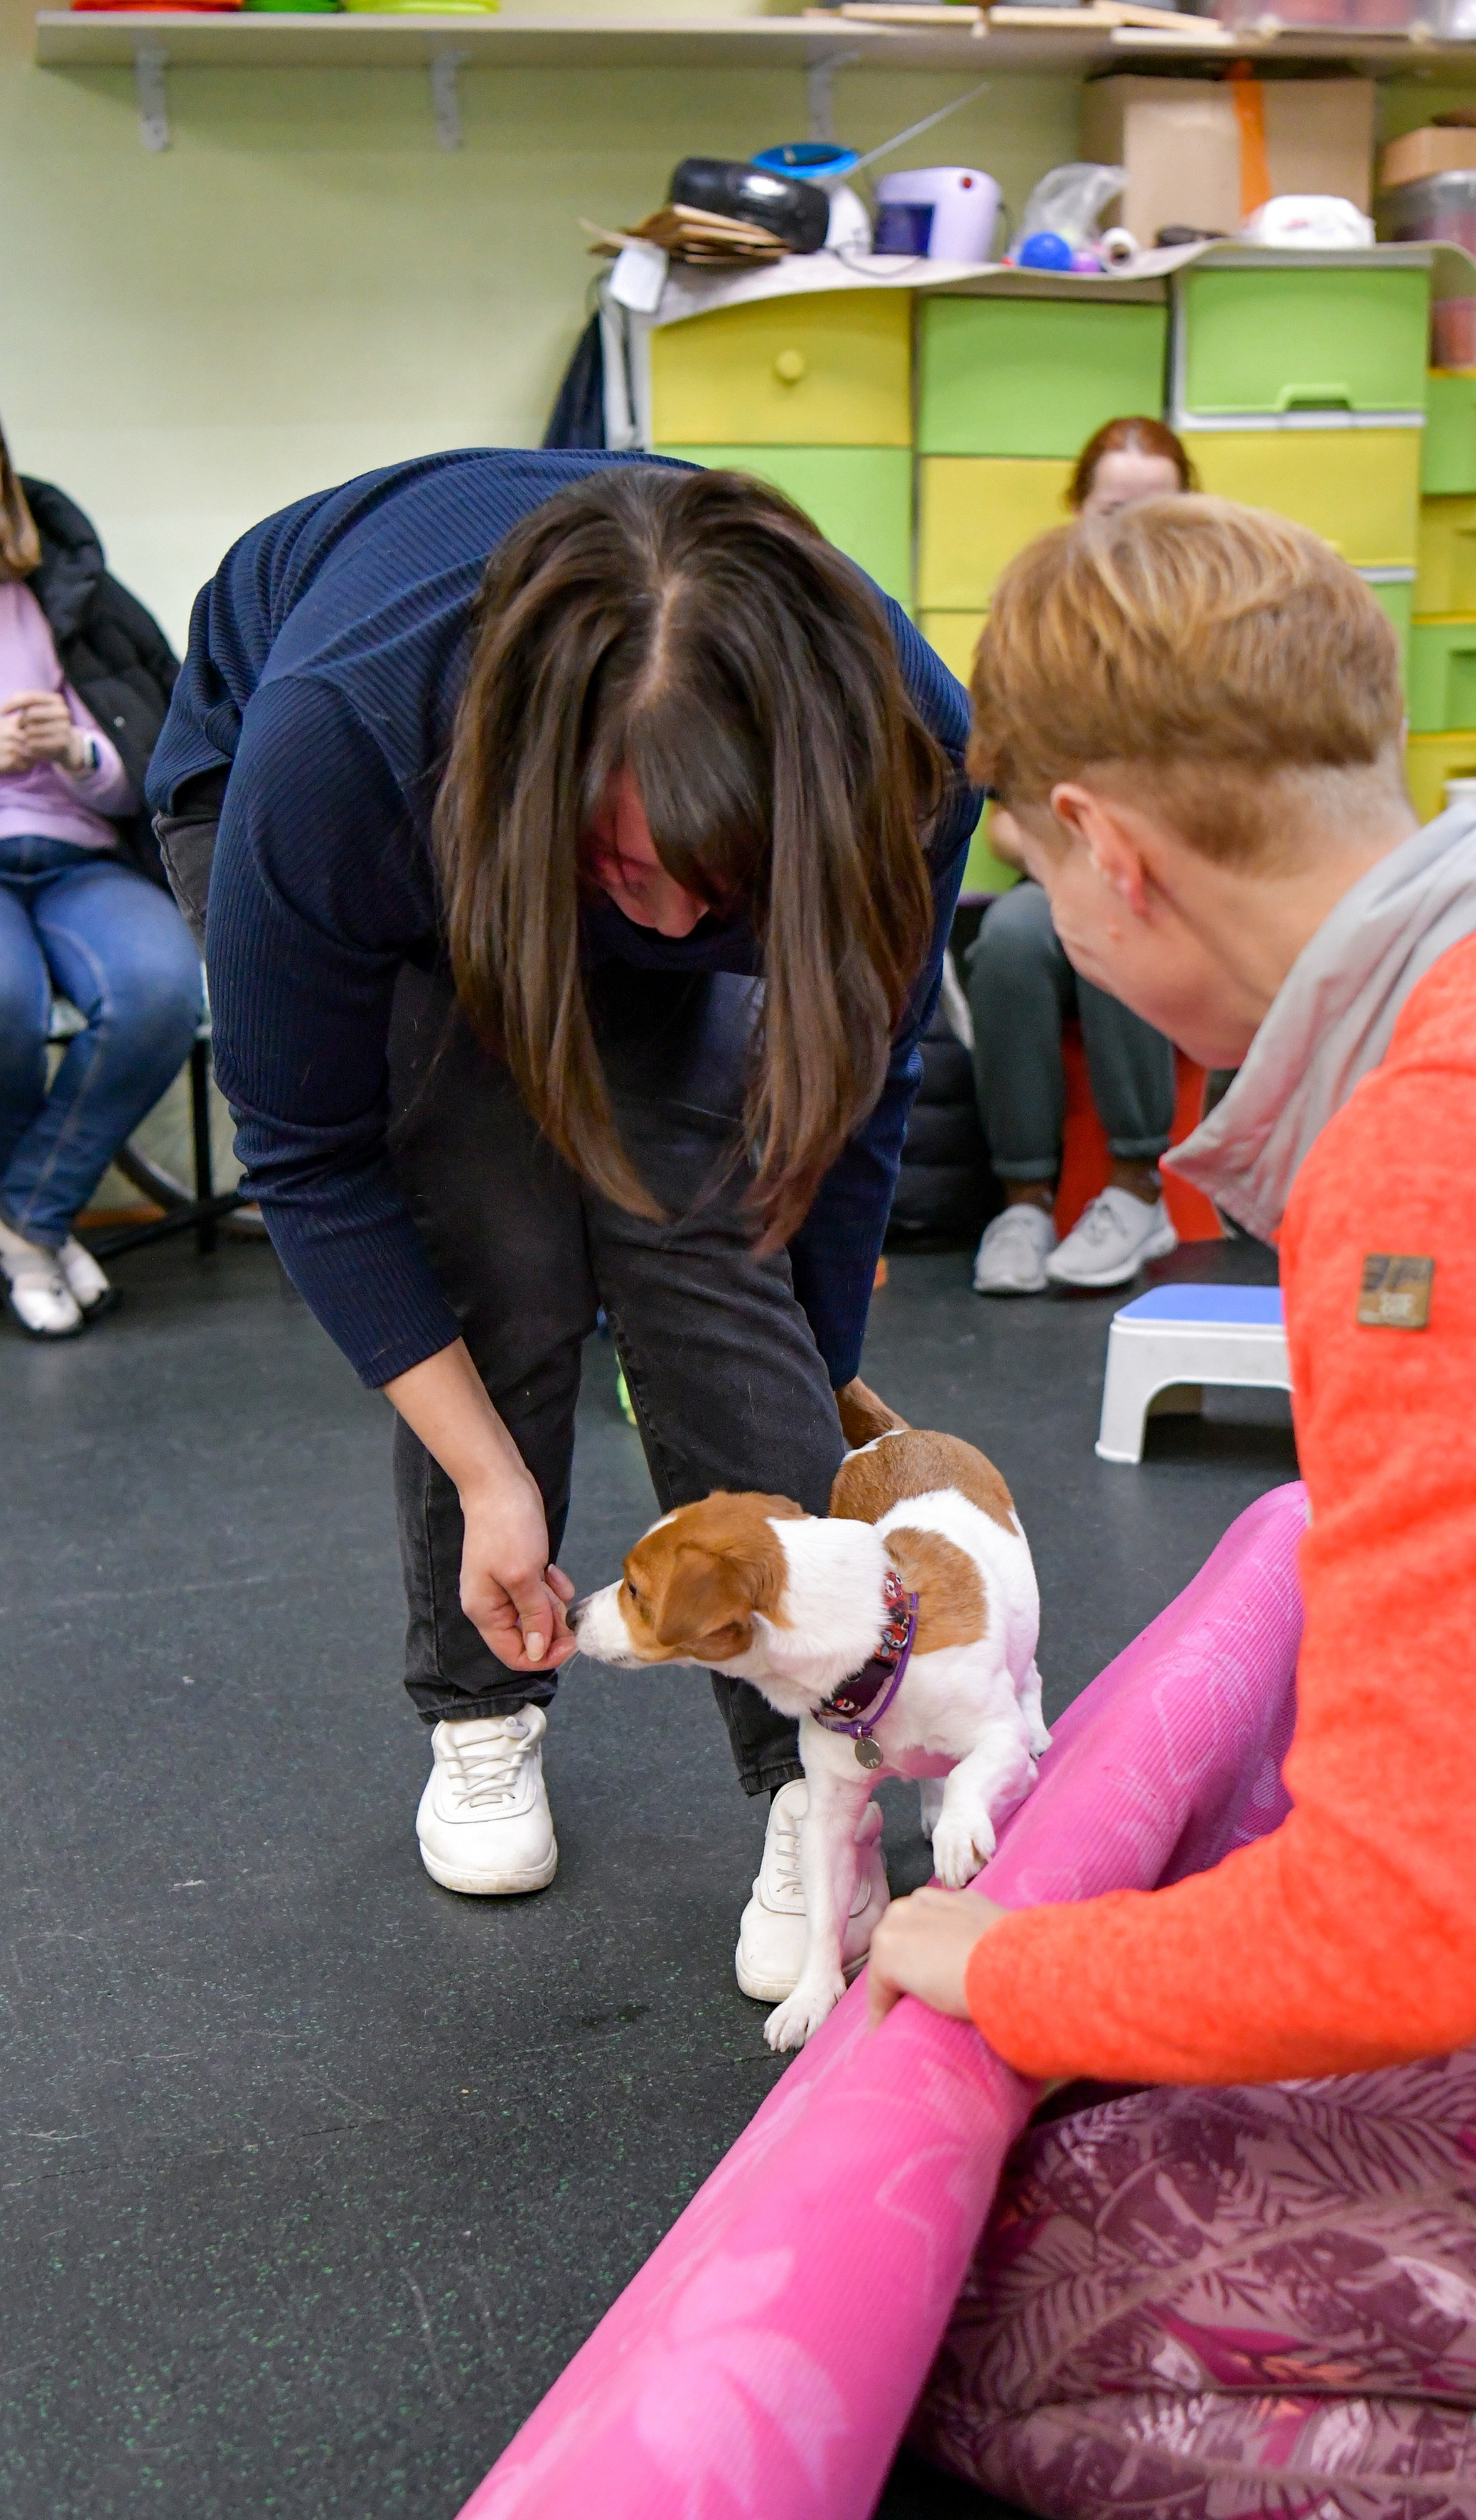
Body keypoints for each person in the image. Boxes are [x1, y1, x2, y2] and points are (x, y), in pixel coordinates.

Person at [868, 496, 1476, 2520]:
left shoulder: (1453, 1152)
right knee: (1119, 2110)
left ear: (1105, 855)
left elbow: (1406, 1927)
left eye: (1033, 871)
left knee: (955, 2326)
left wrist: (1008, 1965)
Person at [148, 455, 974, 1992]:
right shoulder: (343, 751)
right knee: (493, 1221)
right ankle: (480, 1702)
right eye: (620, 875)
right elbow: (311, 1156)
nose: (662, 929)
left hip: (607, 804)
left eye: (708, 890)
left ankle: (812, 1774)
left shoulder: (902, 748)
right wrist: (489, 1476)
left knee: (697, 1226)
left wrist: (819, 1379)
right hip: (375, 792)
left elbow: (853, 1099)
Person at [966, 418, 1191, 1297]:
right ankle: (1024, 1200)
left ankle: (1138, 1187)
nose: (1132, 531)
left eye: (1157, 510)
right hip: (1059, 872)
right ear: (1078, 511)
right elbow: (1001, 821)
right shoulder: (1031, 628)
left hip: (1173, 884)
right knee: (1012, 943)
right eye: (1113, 508)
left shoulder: (1214, 629)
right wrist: (1072, 867)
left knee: (1112, 924)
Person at [0, 426, 201, 1340]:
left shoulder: (85, 596)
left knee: (159, 987)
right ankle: (35, 1230)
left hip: (84, 855)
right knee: (2, 1000)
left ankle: (24, 1221)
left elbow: (162, 763)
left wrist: (80, 750)